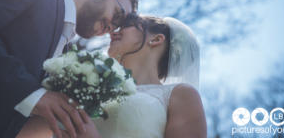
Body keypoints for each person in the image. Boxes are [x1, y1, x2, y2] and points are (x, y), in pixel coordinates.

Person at [0, 0, 137, 138]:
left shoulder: (70, 62)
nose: (112, 28)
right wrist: (31, 94)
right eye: (117, 15)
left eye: (117, 26)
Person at [75, 14, 207, 138]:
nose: (113, 33)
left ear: (156, 39)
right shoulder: (90, 86)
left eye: (128, 25)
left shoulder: (180, 95)